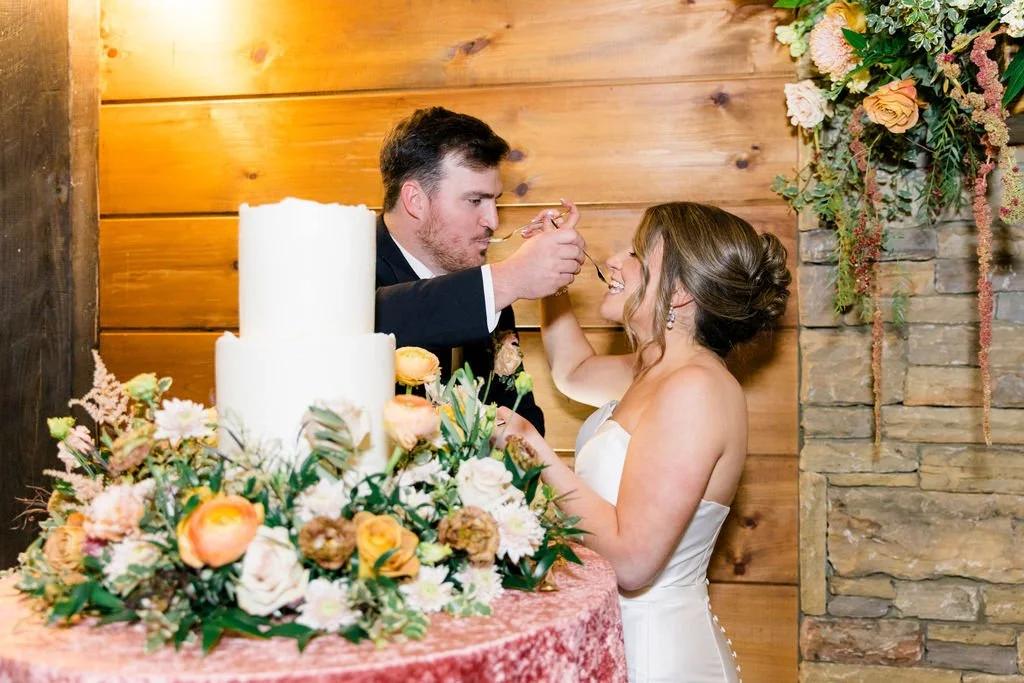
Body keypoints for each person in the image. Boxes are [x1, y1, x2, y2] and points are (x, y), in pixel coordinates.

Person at [495, 200, 791, 682]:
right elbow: (573, 372)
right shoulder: (654, 371)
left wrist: (528, 446)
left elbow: (632, 560)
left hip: (656, 652)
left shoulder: (696, 389)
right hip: (617, 636)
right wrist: (553, 277)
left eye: (636, 255)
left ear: (678, 292)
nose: (614, 260)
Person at [374, 107, 586, 435]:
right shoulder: (352, 273)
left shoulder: (488, 295)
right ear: (415, 200)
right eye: (475, 201)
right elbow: (375, 318)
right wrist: (511, 278)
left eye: (494, 201)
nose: (493, 221)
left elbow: (525, 425)